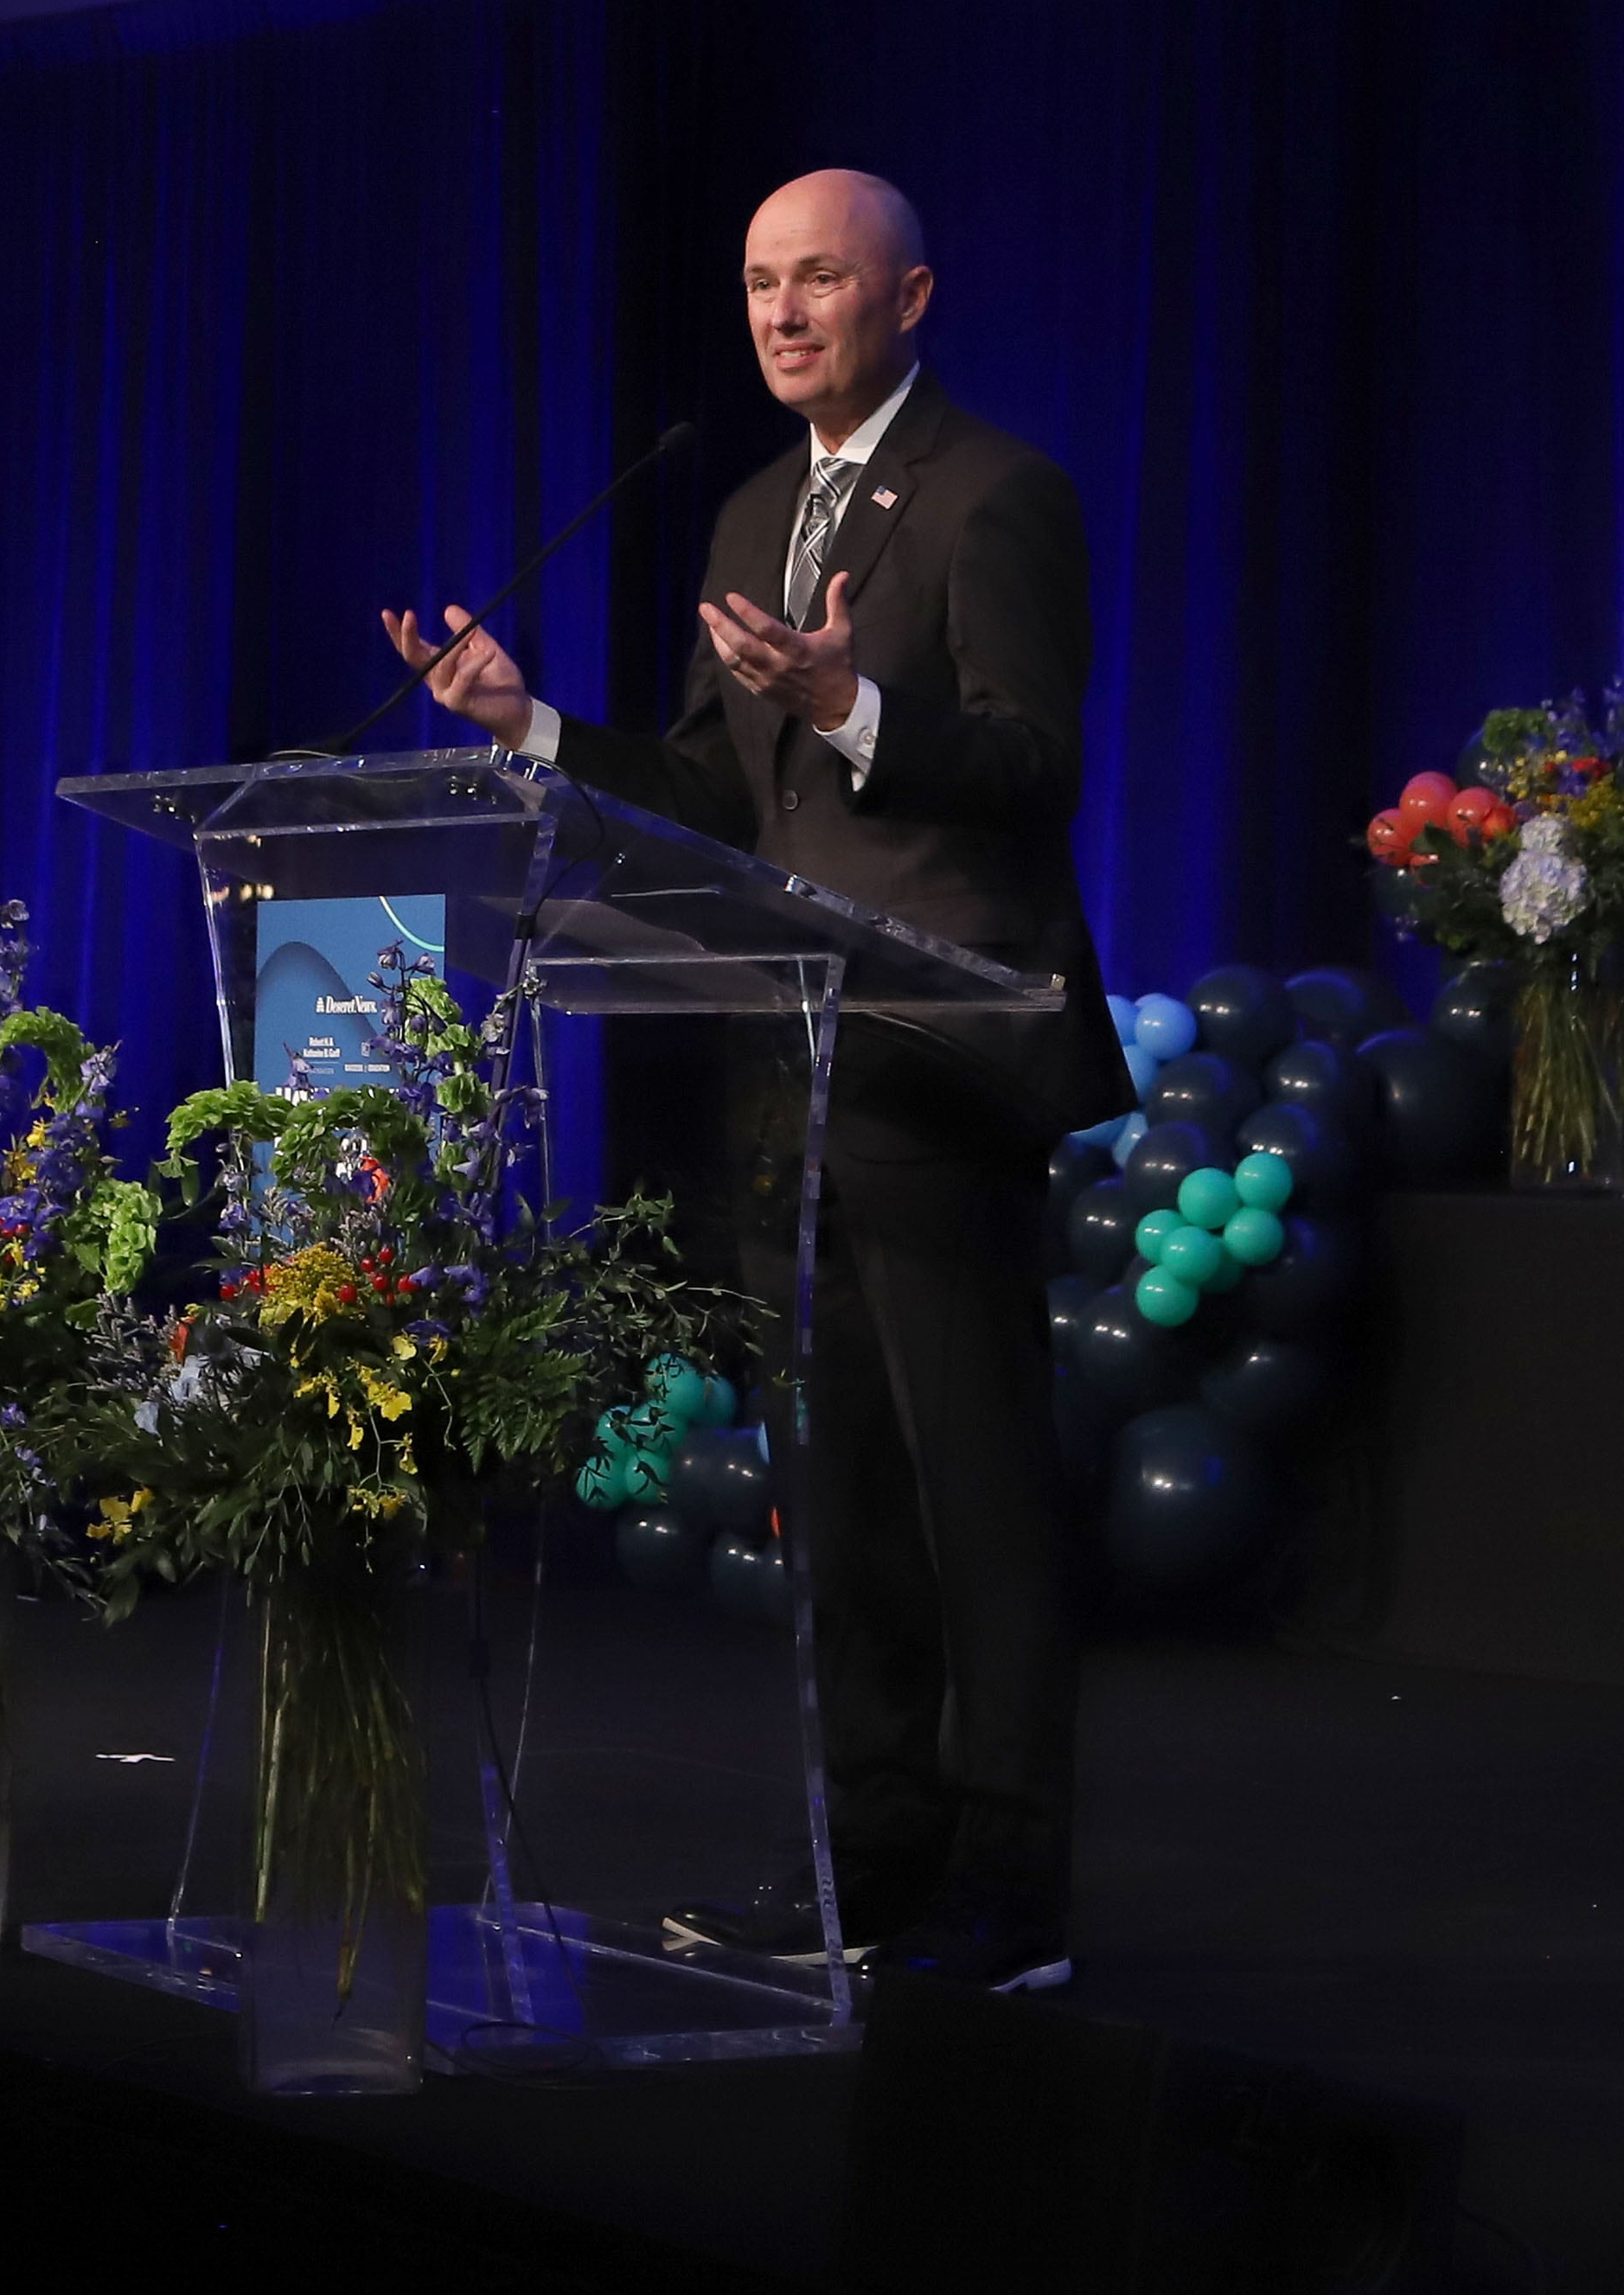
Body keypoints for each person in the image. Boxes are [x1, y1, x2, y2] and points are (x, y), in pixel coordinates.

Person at [382, 168, 1128, 1991]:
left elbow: (1035, 767)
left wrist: (857, 703)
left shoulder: (997, 494)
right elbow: (724, 799)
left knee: (973, 1499)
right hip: (791, 1066)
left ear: (910, 297)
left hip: (941, 1060)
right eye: (759, 286)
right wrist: (529, 727)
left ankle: (1011, 1888)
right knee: (850, 1497)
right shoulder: (742, 514)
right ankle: (872, 1856)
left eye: (820, 282)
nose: (784, 313)